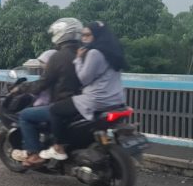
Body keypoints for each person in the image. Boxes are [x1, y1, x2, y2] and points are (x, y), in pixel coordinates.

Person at [36, 21, 127, 163]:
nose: (83, 38)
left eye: (87, 35)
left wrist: (78, 60)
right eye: (82, 34)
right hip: (117, 100)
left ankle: (58, 147)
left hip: (96, 99)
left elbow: (84, 79)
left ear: (96, 35)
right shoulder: (114, 53)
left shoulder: (94, 53)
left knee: (55, 110)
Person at [11, 18, 83, 165]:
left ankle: (33, 153)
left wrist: (21, 88)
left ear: (61, 34)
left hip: (65, 104)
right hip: (85, 103)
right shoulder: (85, 53)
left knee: (25, 115)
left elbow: (42, 84)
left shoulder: (58, 56)